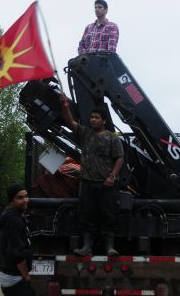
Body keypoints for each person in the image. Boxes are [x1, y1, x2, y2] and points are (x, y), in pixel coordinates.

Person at [60, 93, 124, 256]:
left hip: (105, 184)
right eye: (91, 117)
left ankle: (109, 247)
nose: (93, 120)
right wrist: (65, 106)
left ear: (103, 120)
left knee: (108, 215)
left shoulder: (112, 138)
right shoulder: (86, 133)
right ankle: (86, 247)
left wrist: (112, 176)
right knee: (86, 215)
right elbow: (71, 122)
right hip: (87, 182)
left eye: (96, 117)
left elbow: (119, 158)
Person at [0, 184, 34, 296]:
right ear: (11, 200)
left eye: (26, 196)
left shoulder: (12, 215)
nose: (25, 200)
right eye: (20, 198)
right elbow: (17, 254)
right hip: (14, 277)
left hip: (9, 274)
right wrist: (26, 276)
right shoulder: (14, 221)